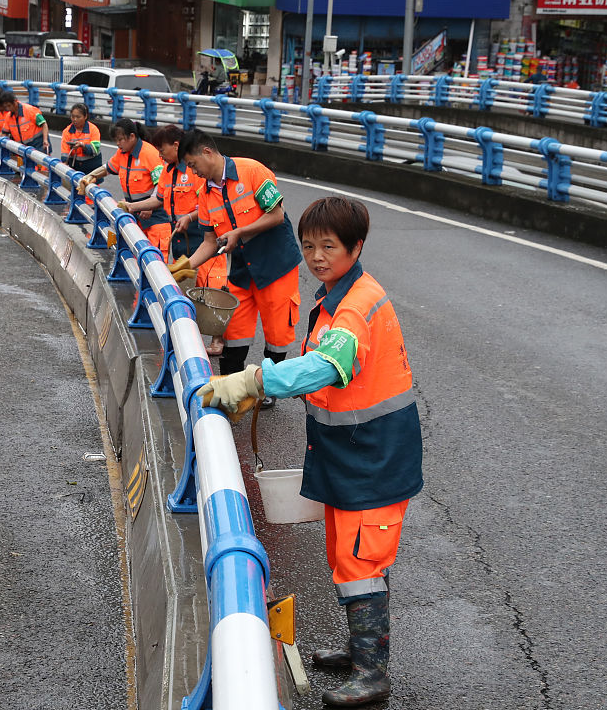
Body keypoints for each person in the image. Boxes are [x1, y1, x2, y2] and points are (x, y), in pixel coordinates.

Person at [196, 196, 423, 707]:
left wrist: (255, 379)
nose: (317, 256)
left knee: (360, 558)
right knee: (347, 553)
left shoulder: (356, 307)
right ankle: (361, 651)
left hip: (375, 457)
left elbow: (325, 367)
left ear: (356, 247)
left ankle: (372, 672)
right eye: (309, 246)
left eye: (329, 247)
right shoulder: (336, 295)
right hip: (353, 451)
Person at [175, 129, 302, 401]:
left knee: (277, 333)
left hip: (275, 265)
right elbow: (209, 242)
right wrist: (185, 266)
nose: (194, 172)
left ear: (207, 152)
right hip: (242, 270)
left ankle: (268, 390)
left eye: (193, 165)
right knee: (234, 332)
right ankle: (230, 390)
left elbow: (276, 215)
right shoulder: (205, 194)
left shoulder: (252, 171)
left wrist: (239, 232)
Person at [121, 125, 229, 355]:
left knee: (212, 286)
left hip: (204, 237)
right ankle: (188, 337)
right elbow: (159, 199)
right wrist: (132, 206)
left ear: (176, 146)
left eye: (162, 149)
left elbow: (209, 203)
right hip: (180, 239)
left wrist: (190, 217)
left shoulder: (196, 170)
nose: (160, 155)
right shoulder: (167, 171)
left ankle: (218, 339)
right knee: (186, 287)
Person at [76, 119, 171, 253]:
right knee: (131, 254)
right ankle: (112, 253)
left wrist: (150, 205)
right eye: (116, 140)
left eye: (120, 139)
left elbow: (162, 183)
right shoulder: (122, 153)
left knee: (154, 259)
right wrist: (90, 176)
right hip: (134, 215)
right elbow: (108, 168)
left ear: (132, 137)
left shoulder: (149, 153)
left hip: (155, 219)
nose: (118, 143)